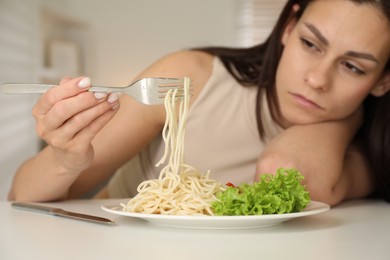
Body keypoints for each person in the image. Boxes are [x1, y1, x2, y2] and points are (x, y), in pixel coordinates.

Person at [8, 0, 390, 206]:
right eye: (310, 44)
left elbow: (288, 170)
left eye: (353, 67)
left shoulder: (364, 150)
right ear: (289, 26)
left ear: (383, 80)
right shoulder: (188, 78)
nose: (317, 80)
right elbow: (21, 196)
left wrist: (349, 122)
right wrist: (64, 159)